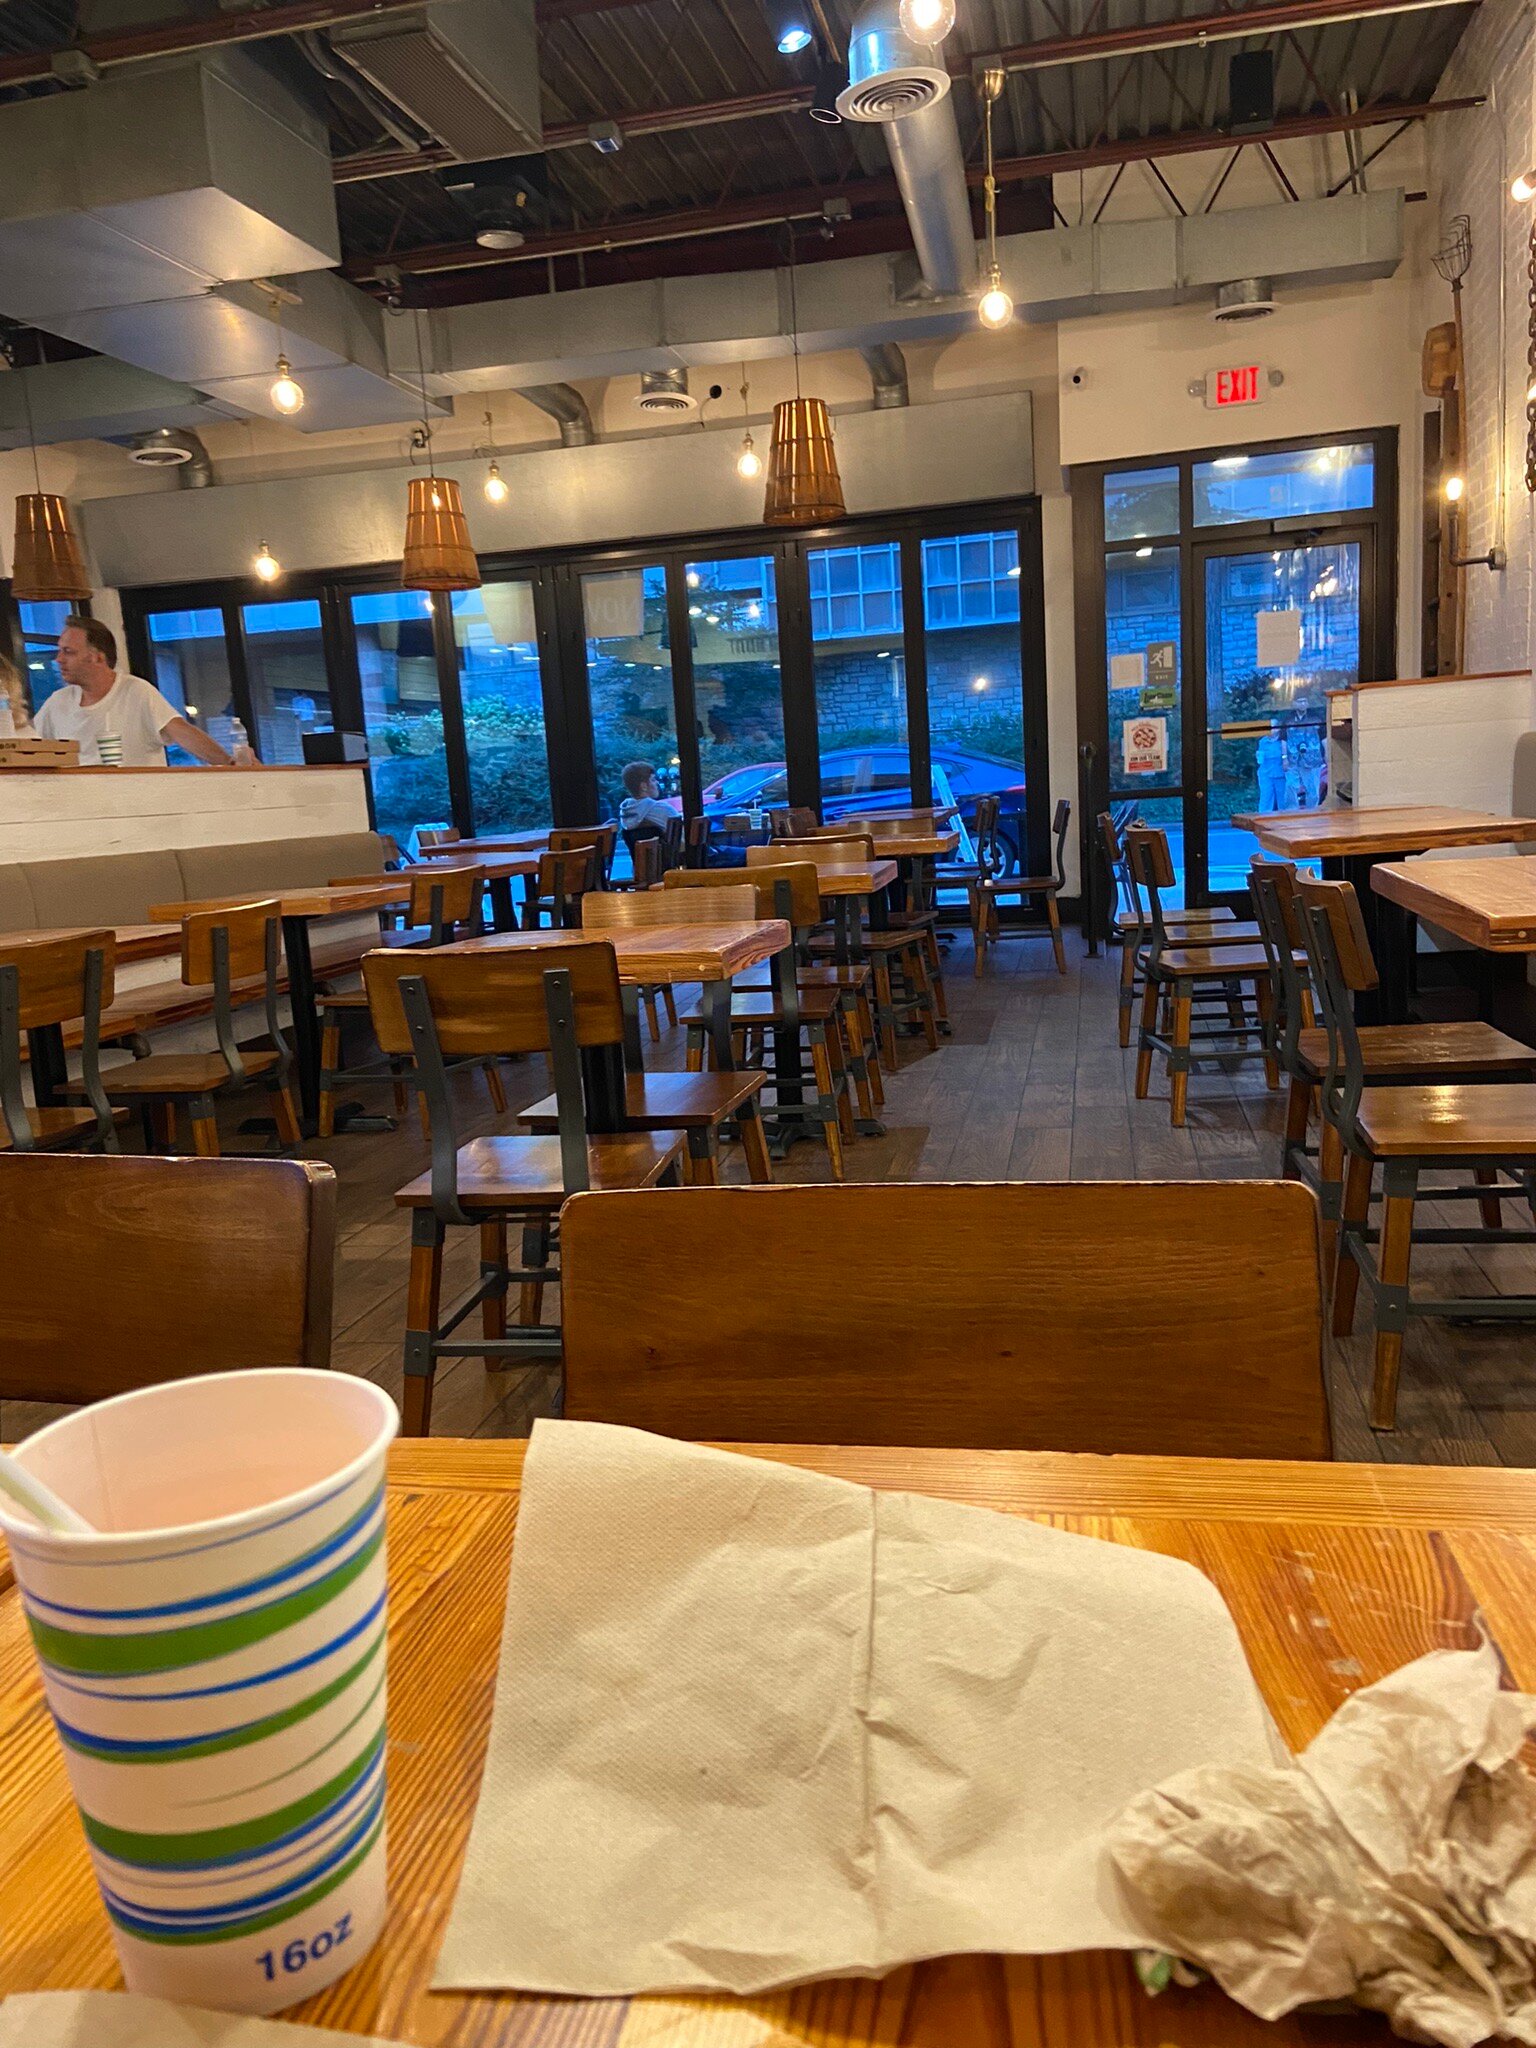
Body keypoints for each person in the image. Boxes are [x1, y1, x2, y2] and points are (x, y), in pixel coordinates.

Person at [33, 617, 252, 767]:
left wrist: (230, 764)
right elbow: (31, 745)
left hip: (137, 809)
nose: (58, 659)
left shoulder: (136, 691)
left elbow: (182, 733)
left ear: (97, 657)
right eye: (59, 651)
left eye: (68, 652)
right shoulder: (57, 703)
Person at [618, 760, 674, 835]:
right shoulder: (662, 809)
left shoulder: (625, 815)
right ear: (643, 786)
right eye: (653, 780)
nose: (657, 782)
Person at [1254, 720, 1289, 813]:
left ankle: (1284, 819)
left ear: (1277, 729)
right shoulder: (1262, 741)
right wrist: (1257, 756)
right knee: (1265, 799)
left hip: (1280, 774)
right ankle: (1263, 819)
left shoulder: (1283, 741)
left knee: (1283, 801)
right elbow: (1260, 758)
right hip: (1265, 774)